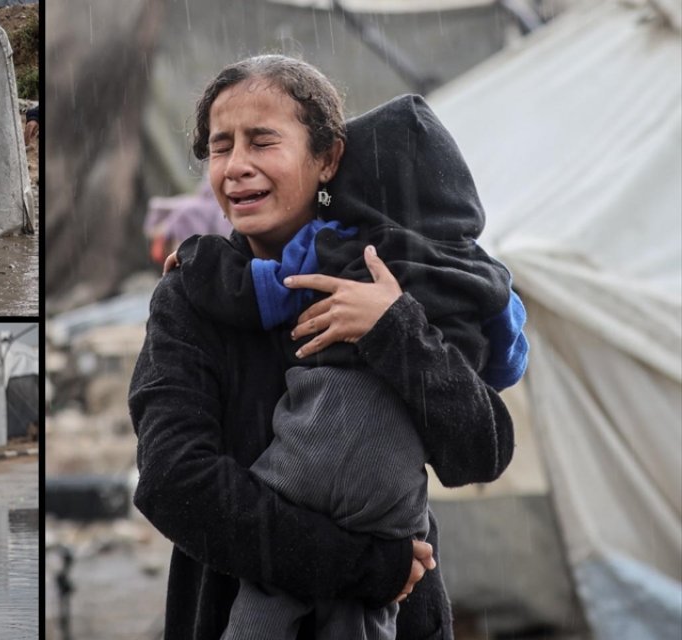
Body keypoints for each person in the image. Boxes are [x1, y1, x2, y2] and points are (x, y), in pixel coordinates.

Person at [129, 55, 517, 640]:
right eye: (220, 146)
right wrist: (364, 567)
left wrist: (392, 328)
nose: (236, 167)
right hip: (236, 612)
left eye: (262, 142)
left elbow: (479, 452)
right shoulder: (191, 298)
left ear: (328, 158)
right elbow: (175, 482)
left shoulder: (392, 278)